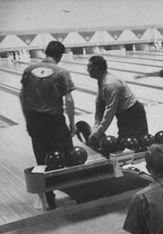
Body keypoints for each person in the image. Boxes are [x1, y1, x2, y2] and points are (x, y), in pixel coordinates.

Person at [19, 40, 76, 209]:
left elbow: (22, 96)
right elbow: (69, 100)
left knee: (41, 160)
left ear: (45, 51)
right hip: (55, 121)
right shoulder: (61, 71)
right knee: (69, 156)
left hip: (35, 120)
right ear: (60, 55)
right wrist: (72, 123)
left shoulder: (28, 70)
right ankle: (74, 191)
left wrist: (28, 119)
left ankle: (48, 199)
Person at [87, 55, 148, 146]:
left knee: (137, 143)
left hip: (134, 114)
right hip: (123, 114)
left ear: (97, 68)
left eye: (89, 67)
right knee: (125, 143)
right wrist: (96, 124)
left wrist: (99, 131)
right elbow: (99, 103)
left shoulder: (110, 84)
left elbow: (110, 111)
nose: (87, 70)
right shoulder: (101, 80)